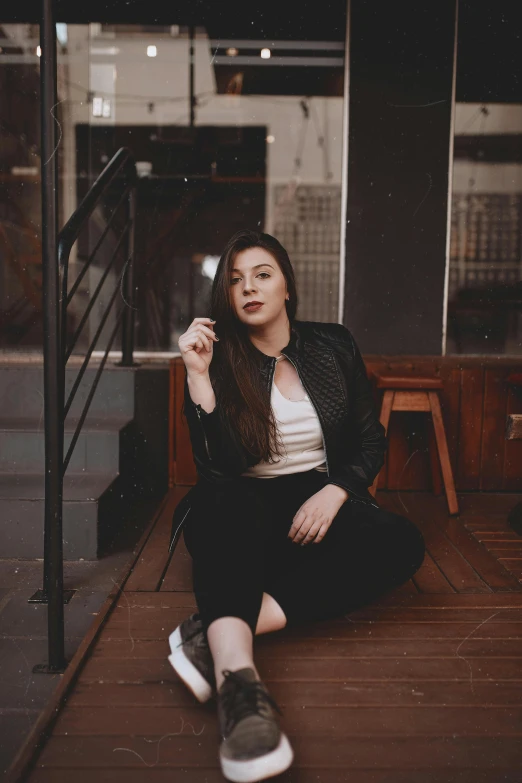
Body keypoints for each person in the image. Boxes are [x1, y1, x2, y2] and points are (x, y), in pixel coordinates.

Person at [167, 229, 426, 783]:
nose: (249, 288)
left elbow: (369, 440)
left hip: (316, 497)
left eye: (262, 274)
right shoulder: (218, 358)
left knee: (402, 542)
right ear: (226, 297)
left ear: (287, 285)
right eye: (235, 280)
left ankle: (211, 628)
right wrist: (198, 378)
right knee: (227, 507)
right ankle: (240, 687)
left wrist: (336, 492)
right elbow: (218, 471)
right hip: (237, 502)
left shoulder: (333, 345)